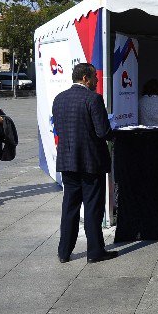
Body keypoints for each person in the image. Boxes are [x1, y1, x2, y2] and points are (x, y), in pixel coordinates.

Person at [52, 63, 117, 264]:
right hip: (91, 163)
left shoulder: (59, 99)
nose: (97, 82)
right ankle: (95, 251)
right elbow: (103, 132)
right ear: (86, 79)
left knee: (69, 207)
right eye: (95, 78)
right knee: (92, 208)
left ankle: (64, 252)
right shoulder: (93, 99)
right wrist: (114, 130)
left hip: (67, 161)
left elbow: (60, 129)